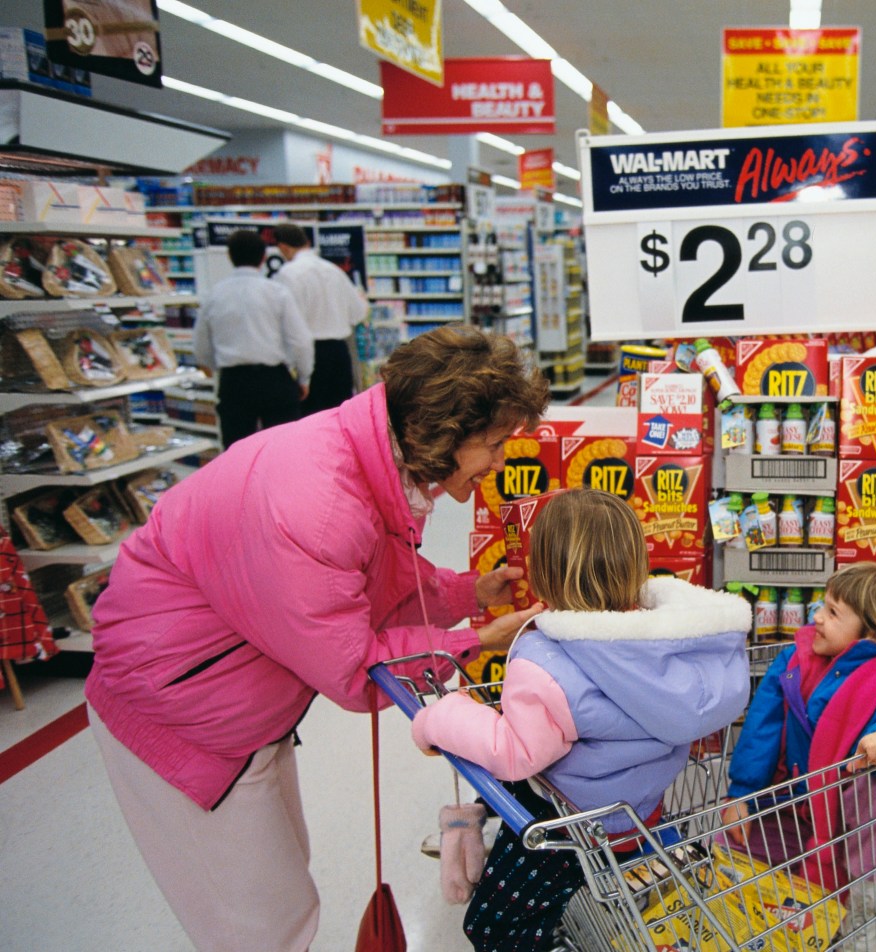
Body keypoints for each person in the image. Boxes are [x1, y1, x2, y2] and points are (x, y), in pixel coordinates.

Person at [85, 327, 552, 952]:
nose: (500, 461)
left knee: (282, 880)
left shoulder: (364, 457)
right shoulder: (319, 503)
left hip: (243, 706)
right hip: (180, 714)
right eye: (493, 444)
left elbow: (376, 575)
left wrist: (471, 593)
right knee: (263, 924)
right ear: (444, 432)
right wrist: (475, 641)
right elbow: (355, 668)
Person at [409, 489, 751, 952]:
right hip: (638, 810)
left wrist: (442, 717)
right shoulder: (666, 644)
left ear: (544, 577)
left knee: (492, 926)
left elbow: (515, 752)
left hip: (571, 828)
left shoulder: (547, 661)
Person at [721, 562, 876, 952]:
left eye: (833, 613)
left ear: (875, 633)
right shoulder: (795, 663)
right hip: (798, 806)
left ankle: (865, 910)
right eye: (822, 606)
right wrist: (743, 794)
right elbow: (760, 731)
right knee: (732, 847)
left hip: (859, 826)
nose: (816, 617)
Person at [193, 229, 313, 448]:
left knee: (237, 453)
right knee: (285, 449)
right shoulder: (277, 292)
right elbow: (300, 340)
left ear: (230, 256)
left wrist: (218, 369)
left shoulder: (214, 295)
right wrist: (304, 377)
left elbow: (201, 346)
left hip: (234, 382)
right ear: (264, 258)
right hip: (274, 380)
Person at [273, 222, 369, 414]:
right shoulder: (333, 270)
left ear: (283, 247)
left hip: (312, 354)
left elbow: (289, 325)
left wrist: (301, 376)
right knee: (339, 419)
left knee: (311, 421)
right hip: (340, 354)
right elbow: (359, 312)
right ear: (307, 242)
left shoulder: (287, 274)